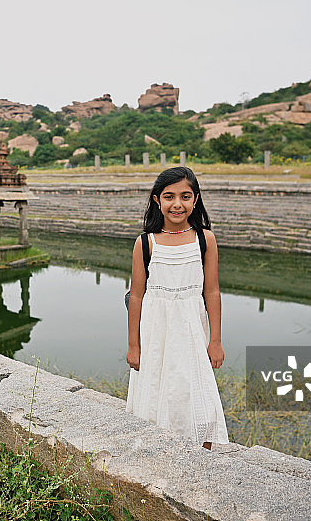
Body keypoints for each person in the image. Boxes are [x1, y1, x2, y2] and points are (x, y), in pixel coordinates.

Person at [125, 166, 228, 449]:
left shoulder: (205, 239)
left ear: (196, 199)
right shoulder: (145, 243)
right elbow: (137, 296)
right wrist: (133, 345)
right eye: (169, 196)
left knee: (198, 395)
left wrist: (215, 341)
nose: (177, 204)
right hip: (155, 333)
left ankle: (201, 456)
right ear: (157, 200)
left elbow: (212, 292)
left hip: (192, 331)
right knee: (155, 392)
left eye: (185, 196)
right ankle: (156, 452)